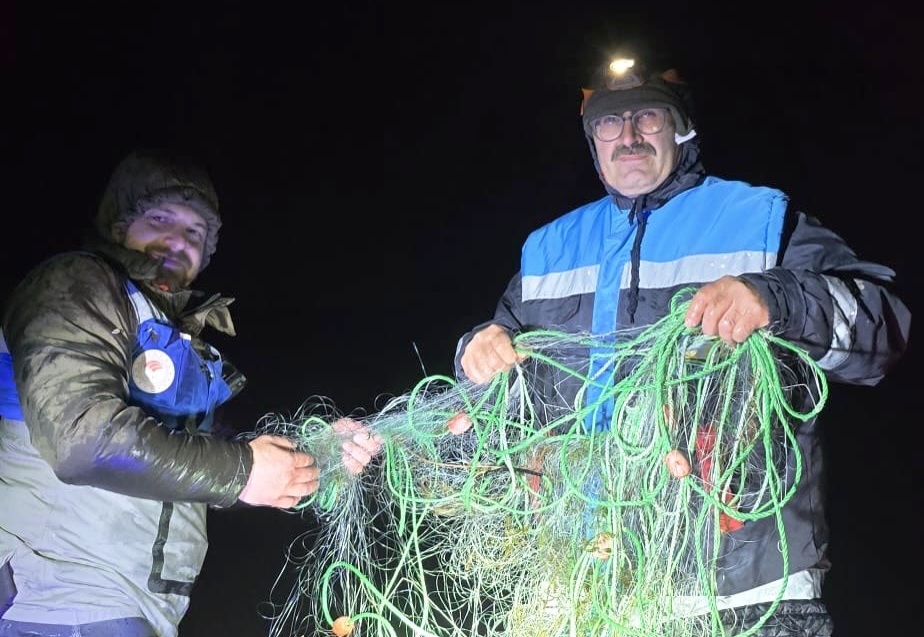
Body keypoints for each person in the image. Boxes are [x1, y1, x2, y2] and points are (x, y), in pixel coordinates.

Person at [453, 52, 911, 635]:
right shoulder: (548, 248)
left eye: (648, 118)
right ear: (592, 141)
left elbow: (884, 324)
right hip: (590, 586)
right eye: (609, 124)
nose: (628, 137)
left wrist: (774, 298)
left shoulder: (760, 217)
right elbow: (498, 369)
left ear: (681, 127)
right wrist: (478, 346)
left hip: (746, 590)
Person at [0, 148, 383, 637]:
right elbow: (82, 440)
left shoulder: (171, 332)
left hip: (139, 608)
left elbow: (207, 462)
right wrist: (244, 470)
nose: (176, 241)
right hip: (59, 599)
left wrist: (314, 460)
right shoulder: (76, 284)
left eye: (194, 233)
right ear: (120, 226)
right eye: (160, 219)